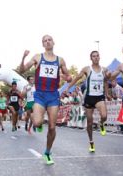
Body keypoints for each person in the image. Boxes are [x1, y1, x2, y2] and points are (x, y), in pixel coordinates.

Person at [19, 34, 72, 165]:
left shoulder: (60, 60)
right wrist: (23, 57)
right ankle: (38, 123)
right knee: (37, 123)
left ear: (53, 42)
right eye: (45, 41)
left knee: (53, 127)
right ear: (43, 44)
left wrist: (67, 78)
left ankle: (47, 152)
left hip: (53, 95)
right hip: (40, 95)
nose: (47, 42)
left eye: (49, 40)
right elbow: (22, 70)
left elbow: (69, 76)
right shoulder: (37, 57)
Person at [65, 50, 111, 153]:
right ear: (91, 58)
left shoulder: (104, 69)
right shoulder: (87, 69)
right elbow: (77, 78)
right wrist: (68, 88)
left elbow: (106, 82)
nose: (95, 58)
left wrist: (107, 93)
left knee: (104, 116)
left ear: (99, 57)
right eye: (93, 56)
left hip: (99, 97)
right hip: (89, 97)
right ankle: (91, 142)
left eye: (97, 56)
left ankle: (101, 124)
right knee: (89, 123)